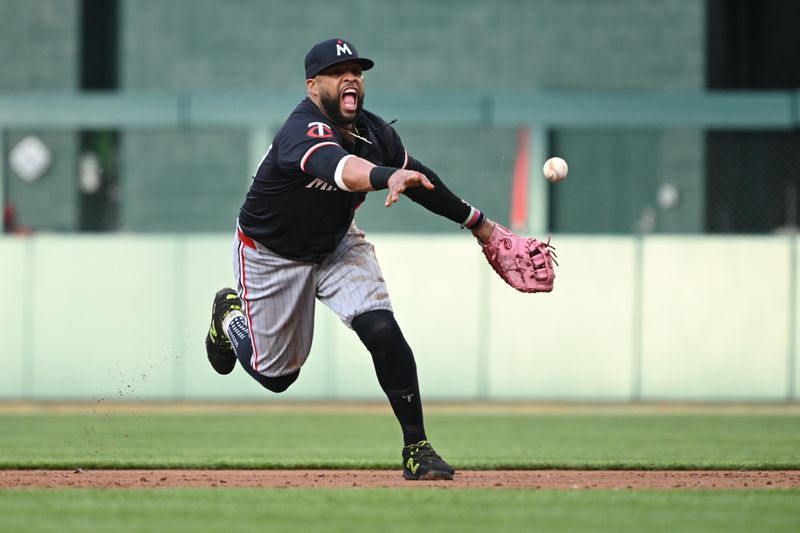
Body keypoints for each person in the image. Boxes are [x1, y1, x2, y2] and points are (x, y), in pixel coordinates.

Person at [205, 38, 499, 481]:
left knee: (380, 328)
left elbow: (419, 178)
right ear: (312, 86)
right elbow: (340, 171)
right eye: (338, 71)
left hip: (336, 242)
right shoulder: (301, 129)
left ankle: (417, 448)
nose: (352, 79)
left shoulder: (374, 132)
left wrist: (480, 224)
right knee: (278, 377)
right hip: (271, 255)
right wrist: (385, 176)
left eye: (357, 72)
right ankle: (229, 317)